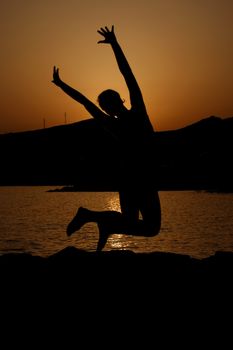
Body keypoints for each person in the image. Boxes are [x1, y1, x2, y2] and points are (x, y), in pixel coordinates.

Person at [52, 25, 161, 251]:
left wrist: (62, 85)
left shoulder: (111, 123)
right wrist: (115, 44)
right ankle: (98, 220)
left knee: (134, 223)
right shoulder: (138, 112)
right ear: (120, 100)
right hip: (142, 177)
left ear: (109, 108)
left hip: (129, 177)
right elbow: (128, 74)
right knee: (151, 228)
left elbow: (84, 101)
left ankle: (95, 218)